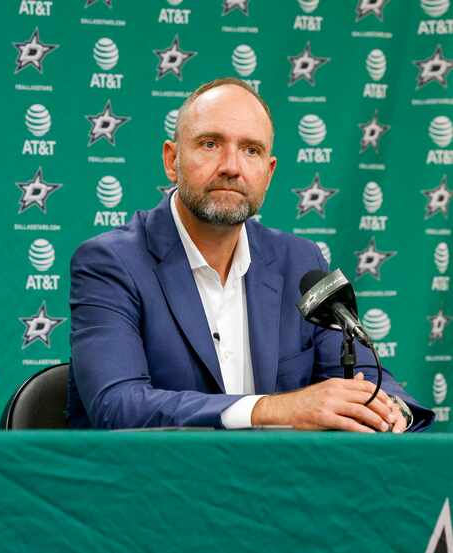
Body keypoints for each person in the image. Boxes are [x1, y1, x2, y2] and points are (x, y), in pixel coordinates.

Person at [68, 77, 433, 432]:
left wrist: (387, 409)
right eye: (210, 144)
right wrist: (273, 409)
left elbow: (367, 379)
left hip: (281, 488)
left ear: (268, 172)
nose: (232, 166)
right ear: (171, 159)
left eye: (251, 150)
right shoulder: (111, 264)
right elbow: (117, 405)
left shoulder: (299, 262)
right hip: (158, 487)